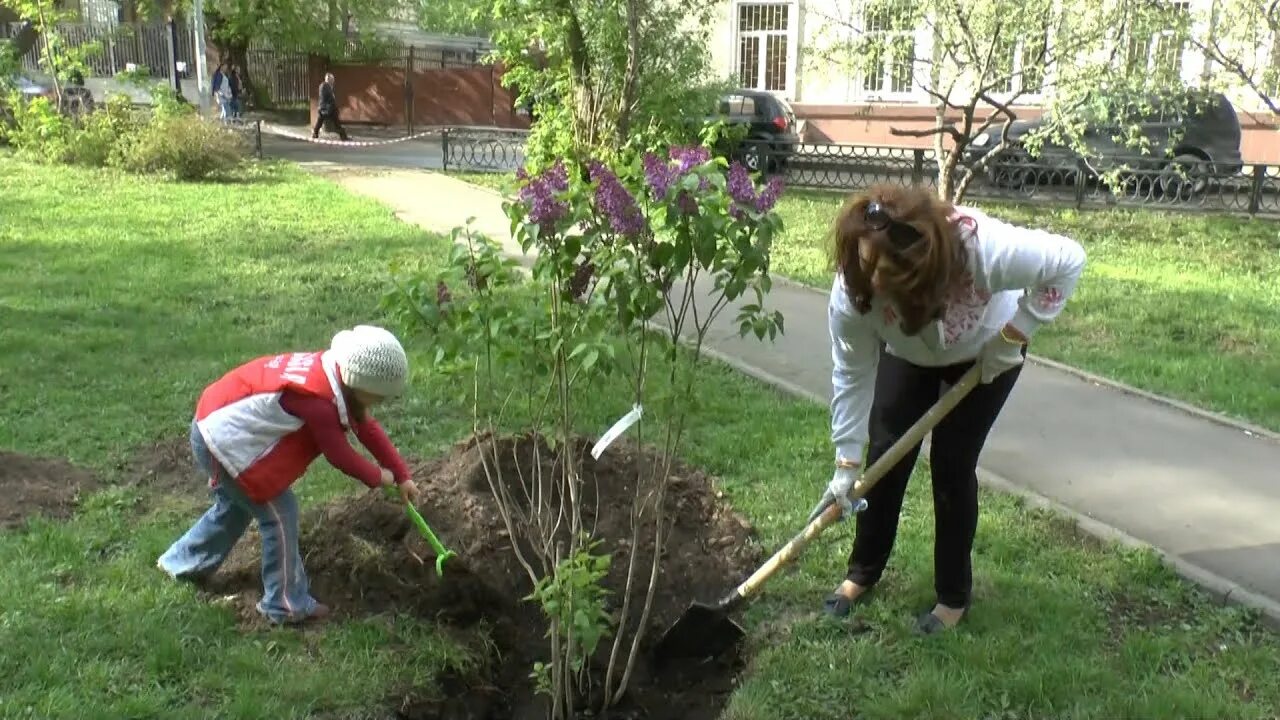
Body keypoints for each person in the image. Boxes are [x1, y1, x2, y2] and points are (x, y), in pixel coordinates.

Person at [811, 183, 1086, 635]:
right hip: (908, 356)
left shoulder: (982, 251)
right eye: (865, 264)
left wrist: (1017, 334)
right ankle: (861, 573)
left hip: (986, 355)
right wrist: (846, 462)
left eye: (887, 272)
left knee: (952, 468)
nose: (872, 281)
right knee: (886, 455)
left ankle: (952, 597)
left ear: (922, 268)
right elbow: (852, 373)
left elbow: (1069, 259)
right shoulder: (852, 291)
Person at [157, 325, 421, 625]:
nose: (382, 404)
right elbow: (339, 454)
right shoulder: (318, 402)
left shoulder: (334, 372)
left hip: (213, 424)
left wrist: (401, 474)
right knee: (280, 515)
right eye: (380, 397)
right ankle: (284, 604)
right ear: (359, 385)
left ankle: (180, 563)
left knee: (234, 508)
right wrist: (379, 477)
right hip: (220, 442)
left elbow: (366, 427)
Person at [312, 72, 349, 141]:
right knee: (333, 122)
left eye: (333, 79)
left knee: (322, 121)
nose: (333, 80)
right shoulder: (324, 86)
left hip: (327, 108)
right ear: (328, 79)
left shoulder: (328, 86)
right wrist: (330, 107)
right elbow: (327, 98)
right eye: (332, 79)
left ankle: (315, 133)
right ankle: (343, 137)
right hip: (326, 108)